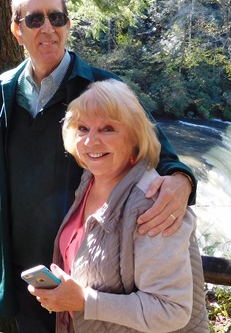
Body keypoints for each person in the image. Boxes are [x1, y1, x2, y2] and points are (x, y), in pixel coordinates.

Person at [0, 0, 197, 332]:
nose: (48, 28)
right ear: (17, 30)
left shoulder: (102, 88)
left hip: (87, 275)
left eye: (56, 18)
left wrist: (181, 181)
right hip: (25, 271)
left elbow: (159, 152)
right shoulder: (1, 91)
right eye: (35, 19)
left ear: (67, 25)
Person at [30, 79, 208, 332]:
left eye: (108, 129)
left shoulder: (153, 204)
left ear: (134, 137)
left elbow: (171, 310)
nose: (91, 142)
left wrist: (83, 301)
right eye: (83, 128)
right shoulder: (90, 180)